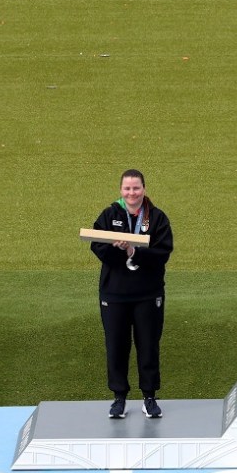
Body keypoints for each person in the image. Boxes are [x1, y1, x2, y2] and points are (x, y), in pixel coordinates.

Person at [90, 169, 174, 420]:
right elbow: (97, 246)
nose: (131, 193)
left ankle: (149, 397)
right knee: (116, 346)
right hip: (114, 294)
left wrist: (133, 252)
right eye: (127, 188)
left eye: (136, 188)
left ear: (144, 189)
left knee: (148, 345)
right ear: (121, 190)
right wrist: (117, 251)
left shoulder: (156, 218)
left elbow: (163, 254)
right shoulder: (109, 215)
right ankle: (119, 398)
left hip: (148, 294)